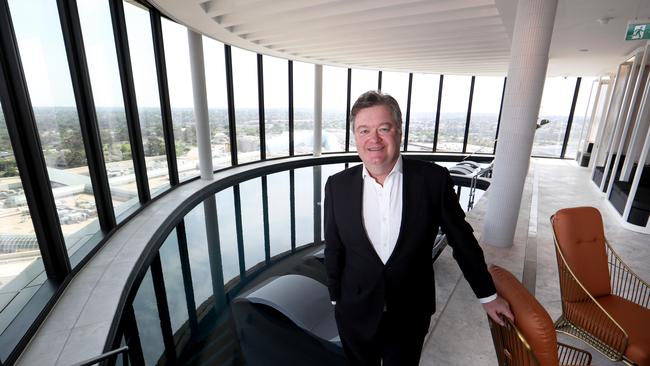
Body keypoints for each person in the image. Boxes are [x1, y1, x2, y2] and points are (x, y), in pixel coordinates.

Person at [324, 91, 513, 365]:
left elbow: (461, 240)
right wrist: (335, 299)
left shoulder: (432, 179)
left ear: (399, 132)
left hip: (410, 313)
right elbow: (334, 247)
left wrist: (488, 296)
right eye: (364, 130)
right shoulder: (337, 185)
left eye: (383, 129)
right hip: (355, 311)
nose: (373, 139)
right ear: (355, 136)